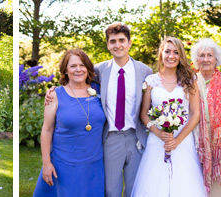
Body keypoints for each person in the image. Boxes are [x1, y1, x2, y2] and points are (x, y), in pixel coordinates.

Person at [42, 22, 153, 197]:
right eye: (113, 41)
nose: (118, 45)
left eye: (122, 40)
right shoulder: (99, 71)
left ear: (130, 43)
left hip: (136, 137)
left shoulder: (145, 71)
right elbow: (76, 79)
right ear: (108, 45)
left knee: (136, 189)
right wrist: (54, 91)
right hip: (111, 138)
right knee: (110, 190)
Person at [133, 36, 205, 196]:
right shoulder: (150, 80)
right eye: (167, 51)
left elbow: (195, 114)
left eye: (176, 52)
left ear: (180, 56)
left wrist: (177, 141)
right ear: (161, 54)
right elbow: (144, 113)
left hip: (183, 141)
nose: (171, 56)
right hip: (157, 141)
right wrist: (158, 133)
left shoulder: (190, 80)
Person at [33, 49, 106, 196]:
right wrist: (46, 164)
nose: (78, 69)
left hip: (94, 165)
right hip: (63, 166)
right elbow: (47, 130)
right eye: (73, 66)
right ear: (65, 70)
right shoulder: (55, 95)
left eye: (82, 65)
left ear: (88, 68)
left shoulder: (99, 91)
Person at [191, 38, 221, 196]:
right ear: (196, 59)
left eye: (209, 55)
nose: (205, 59)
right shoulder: (190, 82)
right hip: (196, 146)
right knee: (195, 188)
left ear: (216, 58)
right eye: (201, 55)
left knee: (220, 191)